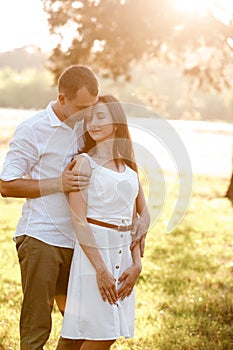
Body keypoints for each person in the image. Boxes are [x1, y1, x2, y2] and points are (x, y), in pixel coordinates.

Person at [0, 66, 149, 349]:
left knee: (81, 325)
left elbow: (123, 175)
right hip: (43, 239)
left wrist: (146, 216)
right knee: (37, 327)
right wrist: (59, 182)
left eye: (93, 109)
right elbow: (6, 185)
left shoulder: (90, 126)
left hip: (83, 246)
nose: (88, 115)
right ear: (62, 98)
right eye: (82, 108)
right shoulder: (33, 130)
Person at [56, 95, 150, 350]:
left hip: (125, 260)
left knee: (98, 331)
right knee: (102, 333)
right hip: (94, 255)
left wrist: (138, 264)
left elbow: (135, 223)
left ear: (116, 122)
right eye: (89, 118)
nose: (93, 123)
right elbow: (79, 221)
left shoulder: (129, 169)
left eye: (100, 116)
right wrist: (100, 269)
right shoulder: (84, 163)